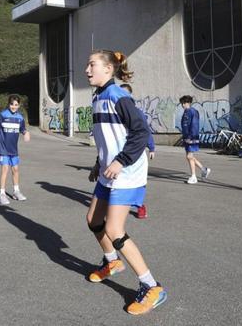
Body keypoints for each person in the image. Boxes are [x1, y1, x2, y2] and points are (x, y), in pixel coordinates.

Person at [85, 50, 166, 315]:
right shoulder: (97, 96)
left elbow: (141, 132)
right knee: (93, 221)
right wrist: (100, 163)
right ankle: (112, 262)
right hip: (110, 170)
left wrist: (120, 161)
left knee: (114, 230)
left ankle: (151, 286)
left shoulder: (118, 96)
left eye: (92, 65)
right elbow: (107, 136)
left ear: (108, 69)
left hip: (127, 172)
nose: (87, 69)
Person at [120, 83, 155, 219]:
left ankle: (140, 206)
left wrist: (151, 148)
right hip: (120, 152)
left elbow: (145, 131)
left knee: (137, 182)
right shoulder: (115, 111)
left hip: (135, 153)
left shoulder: (136, 112)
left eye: (124, 94)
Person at [0, 95, 30, 205]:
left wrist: (26, 133)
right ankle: (2, 194)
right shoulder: (2, 115)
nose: (14, 106)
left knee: (16, 169)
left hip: (14, 149)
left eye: (16, 105)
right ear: (9, 104)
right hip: (3, 148)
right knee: (5, 169)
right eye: (12, 104)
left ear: (19, 105)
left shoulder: (20, 118)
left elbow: (23, 130)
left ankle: (16, 192)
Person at [180, 95, 209, 184]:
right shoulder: (186, 112)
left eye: (182, 103)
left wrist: (190, 137)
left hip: (191, 138)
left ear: (186, 103)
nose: (182, 105)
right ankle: (204, 169)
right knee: (189, 157)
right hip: (187, 137)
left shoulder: (193, 112)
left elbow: (194, 125)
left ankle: (194, 177)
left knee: (189, 156)